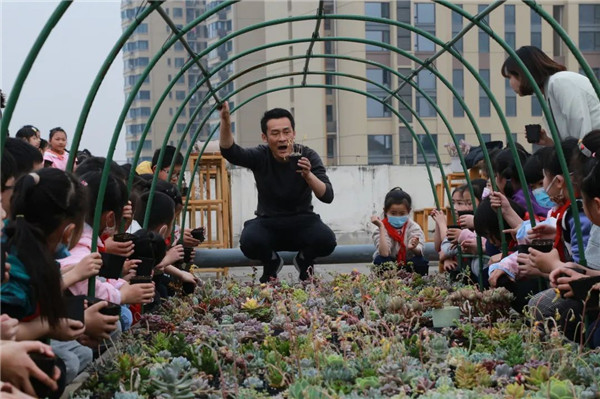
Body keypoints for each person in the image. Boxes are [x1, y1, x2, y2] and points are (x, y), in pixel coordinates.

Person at [218, 102, 336, 282]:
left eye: (286, 132)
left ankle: (304, 260)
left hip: (302, 220)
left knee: (327, 239)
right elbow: (231, 152)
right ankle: (271, 262)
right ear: (264, 137)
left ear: (294, 134)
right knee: (248, 241)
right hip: (269, 222)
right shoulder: (260, 155)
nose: (282, 138)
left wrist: (308, 175)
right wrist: (225, 120)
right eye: (275, 133)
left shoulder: (307, 155)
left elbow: (327, 196)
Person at [502, 46, 600, 145]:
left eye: (510, 77)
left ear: (522, 73)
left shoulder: (560, 82)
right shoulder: (551, 89)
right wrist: (549, 143)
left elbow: (581, 134)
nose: (510, 83)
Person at [371, 187, 427, 275]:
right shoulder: (379, 227)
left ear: (409, 211)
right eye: (393, 213)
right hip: (391, 262)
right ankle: (386, 285)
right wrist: (381, 228)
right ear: (385, 211)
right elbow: (384, 253)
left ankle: (417, 285)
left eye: (402, 213)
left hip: (407, 262)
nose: (397, 216)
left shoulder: (413, 227)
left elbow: (420, 251)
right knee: (380, 260)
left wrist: (414, 248)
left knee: (420, 262)